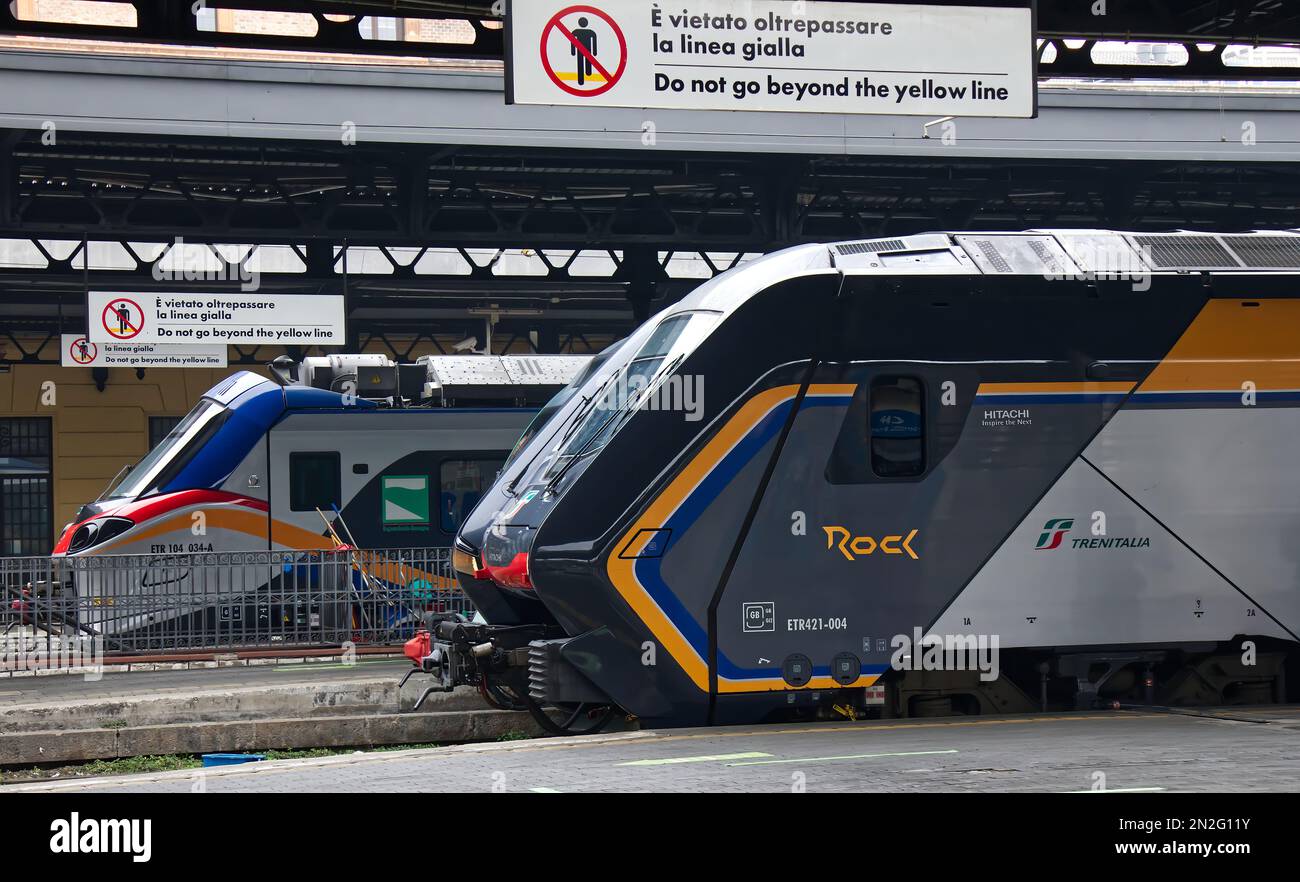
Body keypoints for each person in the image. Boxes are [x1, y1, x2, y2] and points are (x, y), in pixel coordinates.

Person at [571, 16, 598, 86]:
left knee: (581, 64)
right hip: (587, 50)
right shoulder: (591, 32)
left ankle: (582, 79)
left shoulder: (576, 31)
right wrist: (595, 52)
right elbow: (594, 41)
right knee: (586, 62)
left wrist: (573, 51)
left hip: (581, 50)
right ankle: (587, 74)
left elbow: (572, 41)